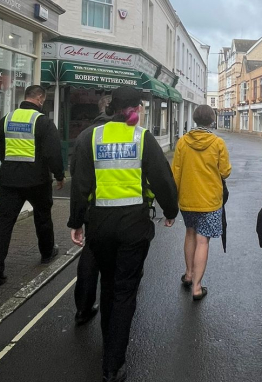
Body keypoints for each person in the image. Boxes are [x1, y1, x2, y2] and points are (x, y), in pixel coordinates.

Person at [68, 86, 178, 382]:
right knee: (125, 291)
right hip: (133, 225)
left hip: (100, 225)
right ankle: (112, 363)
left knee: (109, 288)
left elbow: (80, 183)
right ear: (135, 109)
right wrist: (171, 211)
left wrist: (76, 222)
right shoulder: (142, 138)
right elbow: (162, 179)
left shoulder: (92, 137)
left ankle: (109, 348)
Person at [0, 85, 65, 288]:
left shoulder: (7, 119)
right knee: (42, 216)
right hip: (37, 180)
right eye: (43, 100)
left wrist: (12, 166)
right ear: (39, 98)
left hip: (10, 180)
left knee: (3, 224)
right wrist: (59, 175)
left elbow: (1, 150)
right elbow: (53, 153)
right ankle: (47, 253)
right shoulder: (43, 122)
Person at [171, 104, 232, 300]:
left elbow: (176, 173)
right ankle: (197, 287)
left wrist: (173, 199)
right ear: (212, 120)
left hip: (187, 199)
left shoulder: (182, 142)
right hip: (210, 201)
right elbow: (225, 171)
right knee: (203, 240)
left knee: (189, 233)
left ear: (196, 120)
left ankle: (188, 274)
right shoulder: (217, 143)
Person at [71, 93, 114, 326]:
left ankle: (83, 308)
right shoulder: (132, 136)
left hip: (93, 209)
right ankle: (116, 310)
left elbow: (78, 182)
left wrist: (76, 220)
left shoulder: (85, 136)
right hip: (123, 208)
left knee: (91, 255)